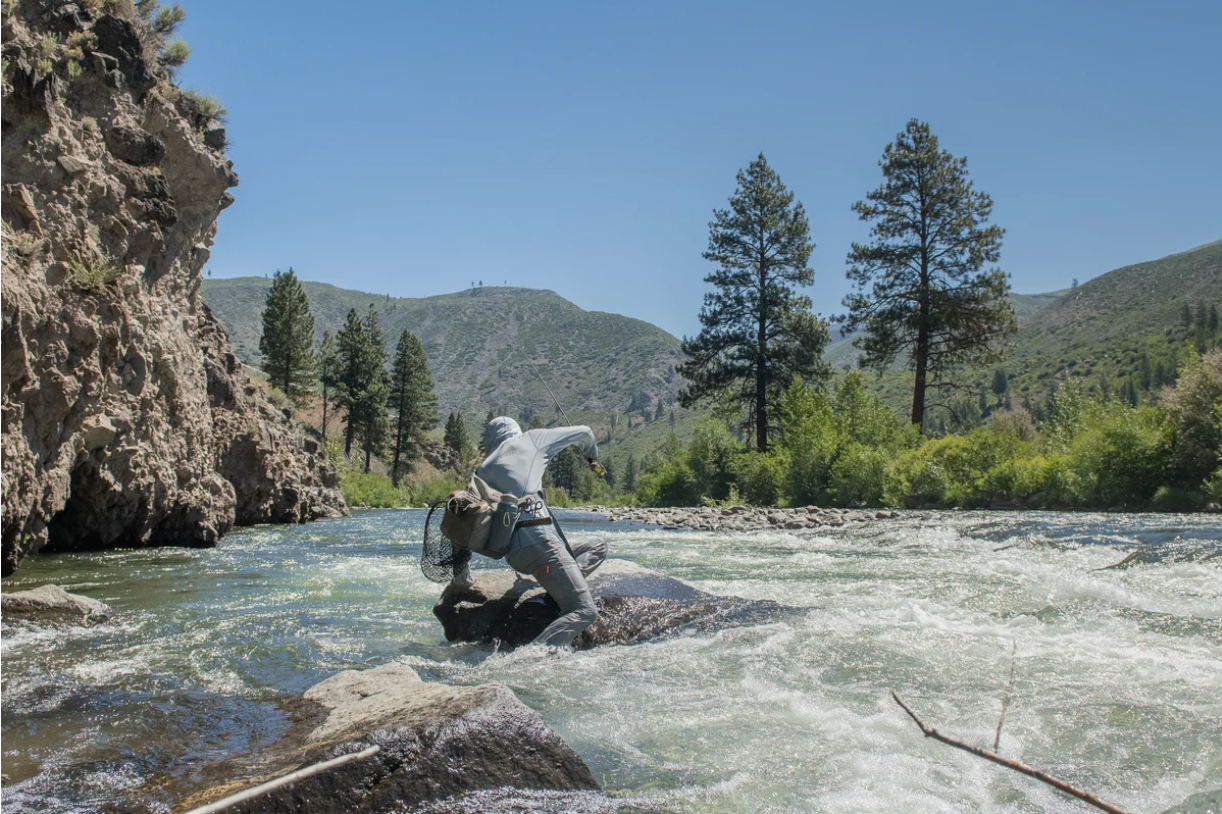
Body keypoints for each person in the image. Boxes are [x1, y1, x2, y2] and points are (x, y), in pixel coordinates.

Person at [451, 416, 606, 648]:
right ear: (516, 431)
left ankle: (557, 590)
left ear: (491, 439)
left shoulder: (481, 472)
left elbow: (462, 526)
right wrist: (590, 456)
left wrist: (462, 579)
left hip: (516, 555)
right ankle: (534, 658)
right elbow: (585, 431)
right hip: (542, 544)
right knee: (584, 611)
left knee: (597, 545)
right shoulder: (530, 440)